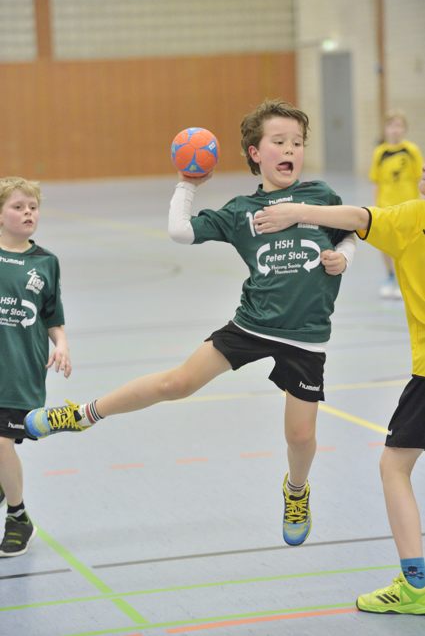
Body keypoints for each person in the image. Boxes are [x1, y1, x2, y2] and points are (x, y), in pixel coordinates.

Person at [24, 99, 355, 547]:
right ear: (255, 153)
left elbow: (352, 230)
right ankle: (83, 414)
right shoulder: (242, 210)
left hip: (306, 337)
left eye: (297, 142)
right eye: (279, 142)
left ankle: (296, 490)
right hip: (253, 324)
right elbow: (181, 231)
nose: (289, 149)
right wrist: (187, 185)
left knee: (300, 436)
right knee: (176, 383)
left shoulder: (320, 196)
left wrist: (343, 258)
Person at [250, 164, 425, 614]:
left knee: (394, 467)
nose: (421, 178)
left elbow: (356, 217)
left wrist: (296, 212)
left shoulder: (413, 218)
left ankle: (416, 586)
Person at [0, 177, 71, 557]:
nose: (28, 213)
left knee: (0, 441)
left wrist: (61, 344)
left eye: (32, 207)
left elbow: (52, 315)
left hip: (19, 371)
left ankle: (18, 517)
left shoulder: (45, 262)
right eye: (18, 207)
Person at [369, 109, 423, 299]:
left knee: (408, 247)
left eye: (399, 125)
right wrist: (376, 206)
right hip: (386, 207)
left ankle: (405, 280)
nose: (395, 130)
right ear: (385, 129)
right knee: (386, 244)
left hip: (408, 206)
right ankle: (390, 277)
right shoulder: (380, 152)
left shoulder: (412, 150)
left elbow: (420, 178)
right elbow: (376, 181)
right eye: (391, 125)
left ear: (405, 129)